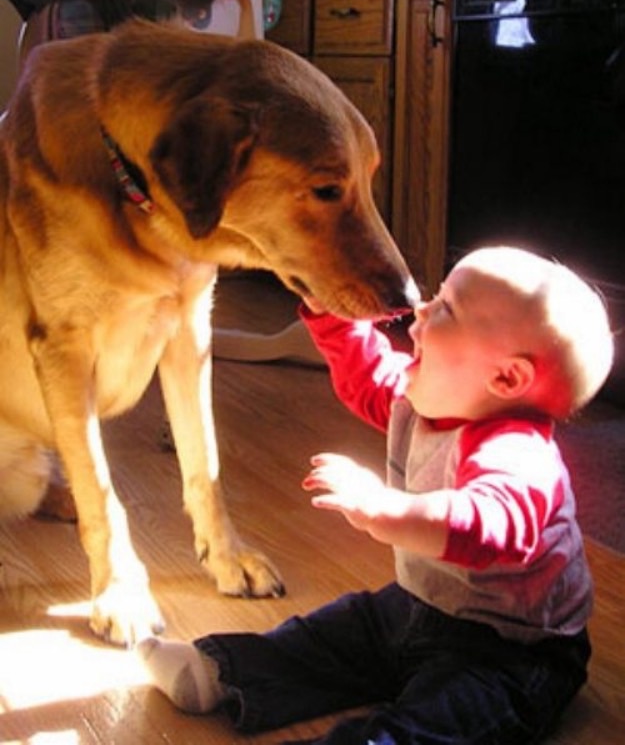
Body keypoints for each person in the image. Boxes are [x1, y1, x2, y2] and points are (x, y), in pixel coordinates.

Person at [137, 245, 614, 745]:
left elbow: (493, 526)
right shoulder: (427, 394)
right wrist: (332, 315)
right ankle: (221, 670)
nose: (424, 306)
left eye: (448, 306)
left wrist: (390, 507)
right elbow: (367, 378)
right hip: (424, 603)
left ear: (506, 377)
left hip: (511, 652)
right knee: (337, 634)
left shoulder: (516, 451)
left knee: (434, 726)